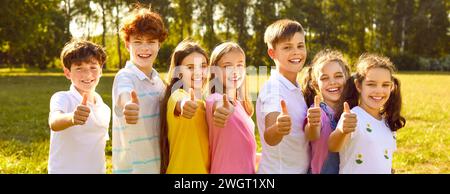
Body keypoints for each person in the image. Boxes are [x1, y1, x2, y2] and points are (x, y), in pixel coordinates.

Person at [111, 5, 168, 174]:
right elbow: (124, 95)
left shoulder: (160, 82)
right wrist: (129, 105)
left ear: (159, 45)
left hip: (158, 167)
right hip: (132, 170)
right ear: (128, 45)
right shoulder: (125, 76)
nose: (145, 48)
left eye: (151, 42)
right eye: (138, 42)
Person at [328, 53, 406, 174]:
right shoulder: (353, 116)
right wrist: (342, 131)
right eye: (371, 84)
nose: (379, 91)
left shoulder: (387, 122)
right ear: (359, 86)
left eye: (385, 85)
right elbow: (333, 146)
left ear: (391, 87)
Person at [256, 19, 309, 174]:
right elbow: (270, 137)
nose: (296, 52)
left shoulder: (296, 87)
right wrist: (278, 128)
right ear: (272, 53)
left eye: (300, 46)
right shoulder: (274, 90)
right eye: (287, 47)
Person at [48, 39, 109, 174]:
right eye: (79, 68)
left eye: (93, 67)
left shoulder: (105, 109)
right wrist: (72, 118)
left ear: (101, 71)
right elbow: (54, 122)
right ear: (68, 73)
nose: (87, 74)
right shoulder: (62, 98)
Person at [159, 40, 210, 174]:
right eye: (190, 67)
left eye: (203, 66)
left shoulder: (205, 105)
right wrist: (184, 105)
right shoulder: (176, 95)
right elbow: (180, 102)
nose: (198, 72)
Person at [205, 42, 256, 174]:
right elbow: (217, 105)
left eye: (240, 65)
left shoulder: (240, 105)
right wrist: (222, 109)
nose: (235, 71)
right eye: (227, 66)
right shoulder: (214, 99)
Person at [301, 49, 351, 174]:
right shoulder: (317, 111)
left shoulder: (353, 110)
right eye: (324, 78)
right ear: (316, 84)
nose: (332, 82)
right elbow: (312, 135)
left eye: (338, 76)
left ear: (347, 79)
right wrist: (313, 124)